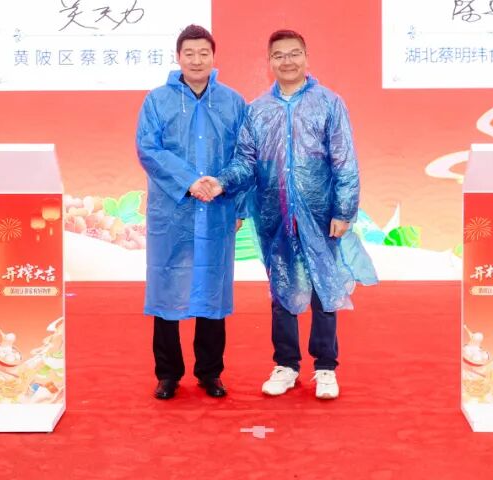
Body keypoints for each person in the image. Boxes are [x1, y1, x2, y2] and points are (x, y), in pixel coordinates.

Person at [205, 29, 377, 400]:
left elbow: (345, 162)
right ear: (269, 62)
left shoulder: (329, 103)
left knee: (324, 288)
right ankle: (286, 364)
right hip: (274, 214)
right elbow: (245, 163)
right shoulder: (258, 110)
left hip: (320, 214)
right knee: (281, 288)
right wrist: (222, 184)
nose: (287, 61)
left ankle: (326, 367)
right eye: (279, 55)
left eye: (294, 53)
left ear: (306, 57)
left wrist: (344, 210)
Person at [135, 24, 248, 400]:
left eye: (204, 53)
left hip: (218, 208)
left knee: (212, 290)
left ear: (214, 56)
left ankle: (210, 372)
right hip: (173, 209)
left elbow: (246, 156)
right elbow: (148, 149)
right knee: (167, 287)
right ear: (177, 57)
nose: (197, 60)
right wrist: (189, 181)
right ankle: (167, 374)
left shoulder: (232, 102)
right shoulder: (157, 100)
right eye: (189, 53)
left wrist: (234, 198)